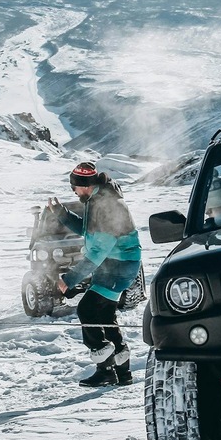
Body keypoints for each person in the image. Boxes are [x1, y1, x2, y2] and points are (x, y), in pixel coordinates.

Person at [46, 161, 142, 387]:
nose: (74, 191)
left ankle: (105, 370)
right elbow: (86, 229)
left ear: (84, 185)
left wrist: (70, 279)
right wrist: (61, 213)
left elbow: (100, 249)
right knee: (104, 315)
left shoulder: (106, 205)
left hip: (118, 265)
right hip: (117, 264)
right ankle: (122, 372)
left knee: (87, 309)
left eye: (74, 187)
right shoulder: (96, 199)